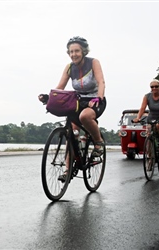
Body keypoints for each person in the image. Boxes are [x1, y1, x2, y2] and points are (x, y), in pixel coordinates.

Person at [38, 36, 107, 182]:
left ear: (83, 51)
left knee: (84, 117)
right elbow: (60, 87)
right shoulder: (69, 67)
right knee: (71, 135)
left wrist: (99, 97)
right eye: (71, 52)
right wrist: (49, 97)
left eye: (77, 51)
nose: (73, 54)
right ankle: (68, 170)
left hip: (95, 100)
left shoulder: (93, 62)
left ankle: (98, 143)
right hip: (78, 102)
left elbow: (101, 81)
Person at [132, 79, 159, 152]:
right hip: (151, 117)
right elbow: (142, 108)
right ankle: (150, 157)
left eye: (156, 86)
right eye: (152, 87)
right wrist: (138, 118)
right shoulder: (147, 96)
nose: (154, 88)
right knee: (149, 134)